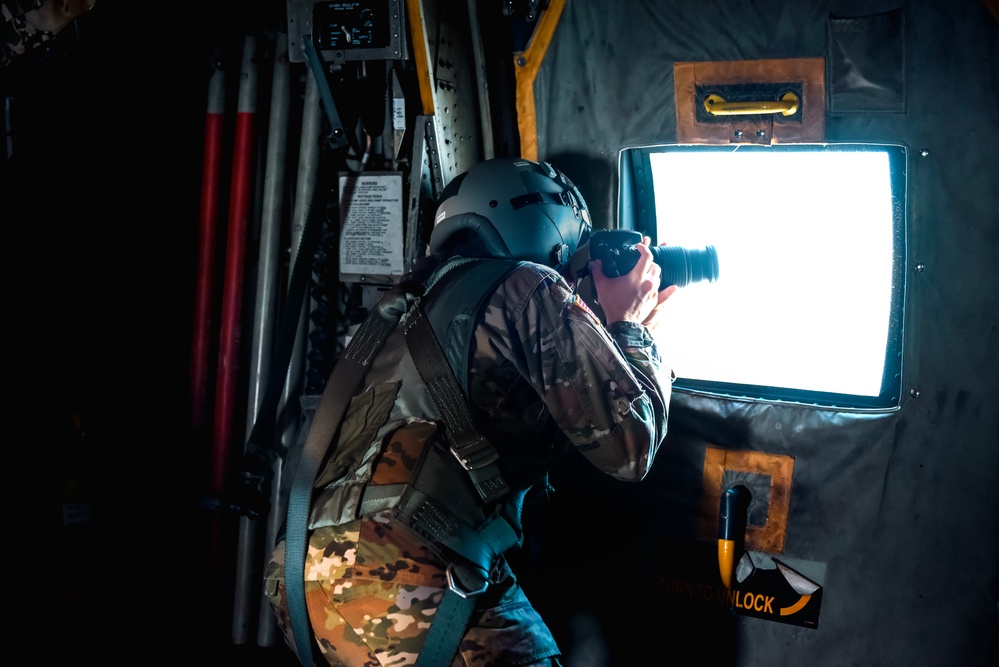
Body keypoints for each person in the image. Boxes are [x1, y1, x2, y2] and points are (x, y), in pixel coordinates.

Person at [265, 157, 678, 667]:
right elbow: (630, 449)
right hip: (397, 567)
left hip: (297, 576)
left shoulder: (402, 306)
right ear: (555, 233)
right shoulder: (528, 285)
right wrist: (633, 329)